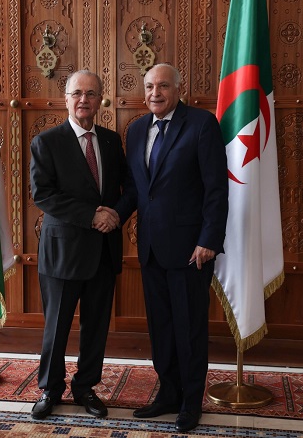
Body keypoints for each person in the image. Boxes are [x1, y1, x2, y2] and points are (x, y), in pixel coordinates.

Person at [111, 63, 229, 432]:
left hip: (191, 250)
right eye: (149, 86)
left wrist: (209, 240)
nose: (155, 93)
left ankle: (191, 402)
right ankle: (168, 394)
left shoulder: (201, 124)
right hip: (150, 248)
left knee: (189, 328)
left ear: (179, 89)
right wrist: (114, 215)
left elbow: (216, 188)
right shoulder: (136, 129)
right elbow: (136, 189)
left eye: (163, 86)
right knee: (161, 327)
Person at [29, 70, 126, 420]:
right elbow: (43, 194)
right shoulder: (47, 142)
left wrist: (115, 214)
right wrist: (91, 215)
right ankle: (50, 389)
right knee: (56, 327)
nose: (84, 99)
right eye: (77, 93)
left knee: (96, 328)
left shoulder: (112, 141)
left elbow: (127, 187)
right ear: (66, 99)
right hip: (63, 253)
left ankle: (85, 387)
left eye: (91, 93)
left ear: (100, 100)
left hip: (103, 250)